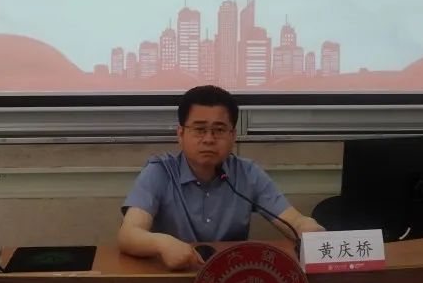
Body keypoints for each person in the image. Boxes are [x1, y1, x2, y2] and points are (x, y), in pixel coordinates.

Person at [118, 85, 325, 270]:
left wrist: (307, 229)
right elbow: (128, 234)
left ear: (232, 136)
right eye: (199, 129)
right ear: (180, 134)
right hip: (173, 276)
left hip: (229, 278)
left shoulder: (247, 173)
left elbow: (293, 220)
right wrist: (161, 244)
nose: (209, 139)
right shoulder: (160, 172)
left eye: (218, 130)